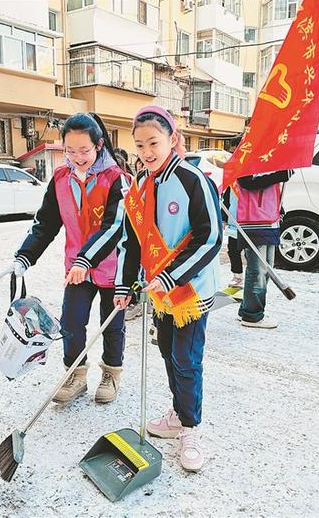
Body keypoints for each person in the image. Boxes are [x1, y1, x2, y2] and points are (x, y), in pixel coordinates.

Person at [113, 105, 222, 472]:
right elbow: (132, 243)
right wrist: (124, 286)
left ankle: (191, 428)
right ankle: (178, 412)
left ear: (172, 139)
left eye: (154, 143)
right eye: (139, 145)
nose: (146, 152)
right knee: (166, 353)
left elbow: (210, 239)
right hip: (159, 292)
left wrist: (173, 275)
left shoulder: (194, 179)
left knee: (186, 360)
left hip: (190, 292)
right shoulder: (141, 186)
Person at [0, 113, 129, 404]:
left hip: (113, 267)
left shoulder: (115, 180)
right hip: (76, 270)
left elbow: (114, 227)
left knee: (112, 325)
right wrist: (24, 257)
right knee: (71, 322)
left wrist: (87, 260)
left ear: (98, 145)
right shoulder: (60, 179)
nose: (77, 157)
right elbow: (46, 224)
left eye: (84, 150)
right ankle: (76, 373)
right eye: (70, 151)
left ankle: (111, 373)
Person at [236, 170, 291, 329]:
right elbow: (247, 182)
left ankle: (247, 308)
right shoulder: (250, 157)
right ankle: (252, 315)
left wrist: (279, 208)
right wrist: (280, 175)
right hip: (254, 220)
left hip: (269, 219)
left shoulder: (271, 158)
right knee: (258, 270)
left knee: (266, 268)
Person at [222, 185, 243, 292]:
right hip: (234, 224)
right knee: (233, 251)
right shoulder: (233, 185)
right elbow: (226, 202)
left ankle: (251, 278)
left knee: (251, 254)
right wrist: (223, 219)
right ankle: (237, 276)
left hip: (251, 224)